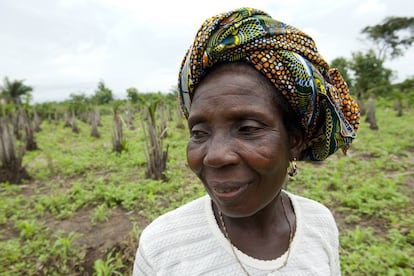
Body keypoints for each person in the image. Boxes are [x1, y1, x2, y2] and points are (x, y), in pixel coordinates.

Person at [133, 7, 360, 275]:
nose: (214, 156)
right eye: (199, 133)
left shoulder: (320, 225)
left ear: (295, 141)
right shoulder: (161, 246)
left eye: (248, 128)